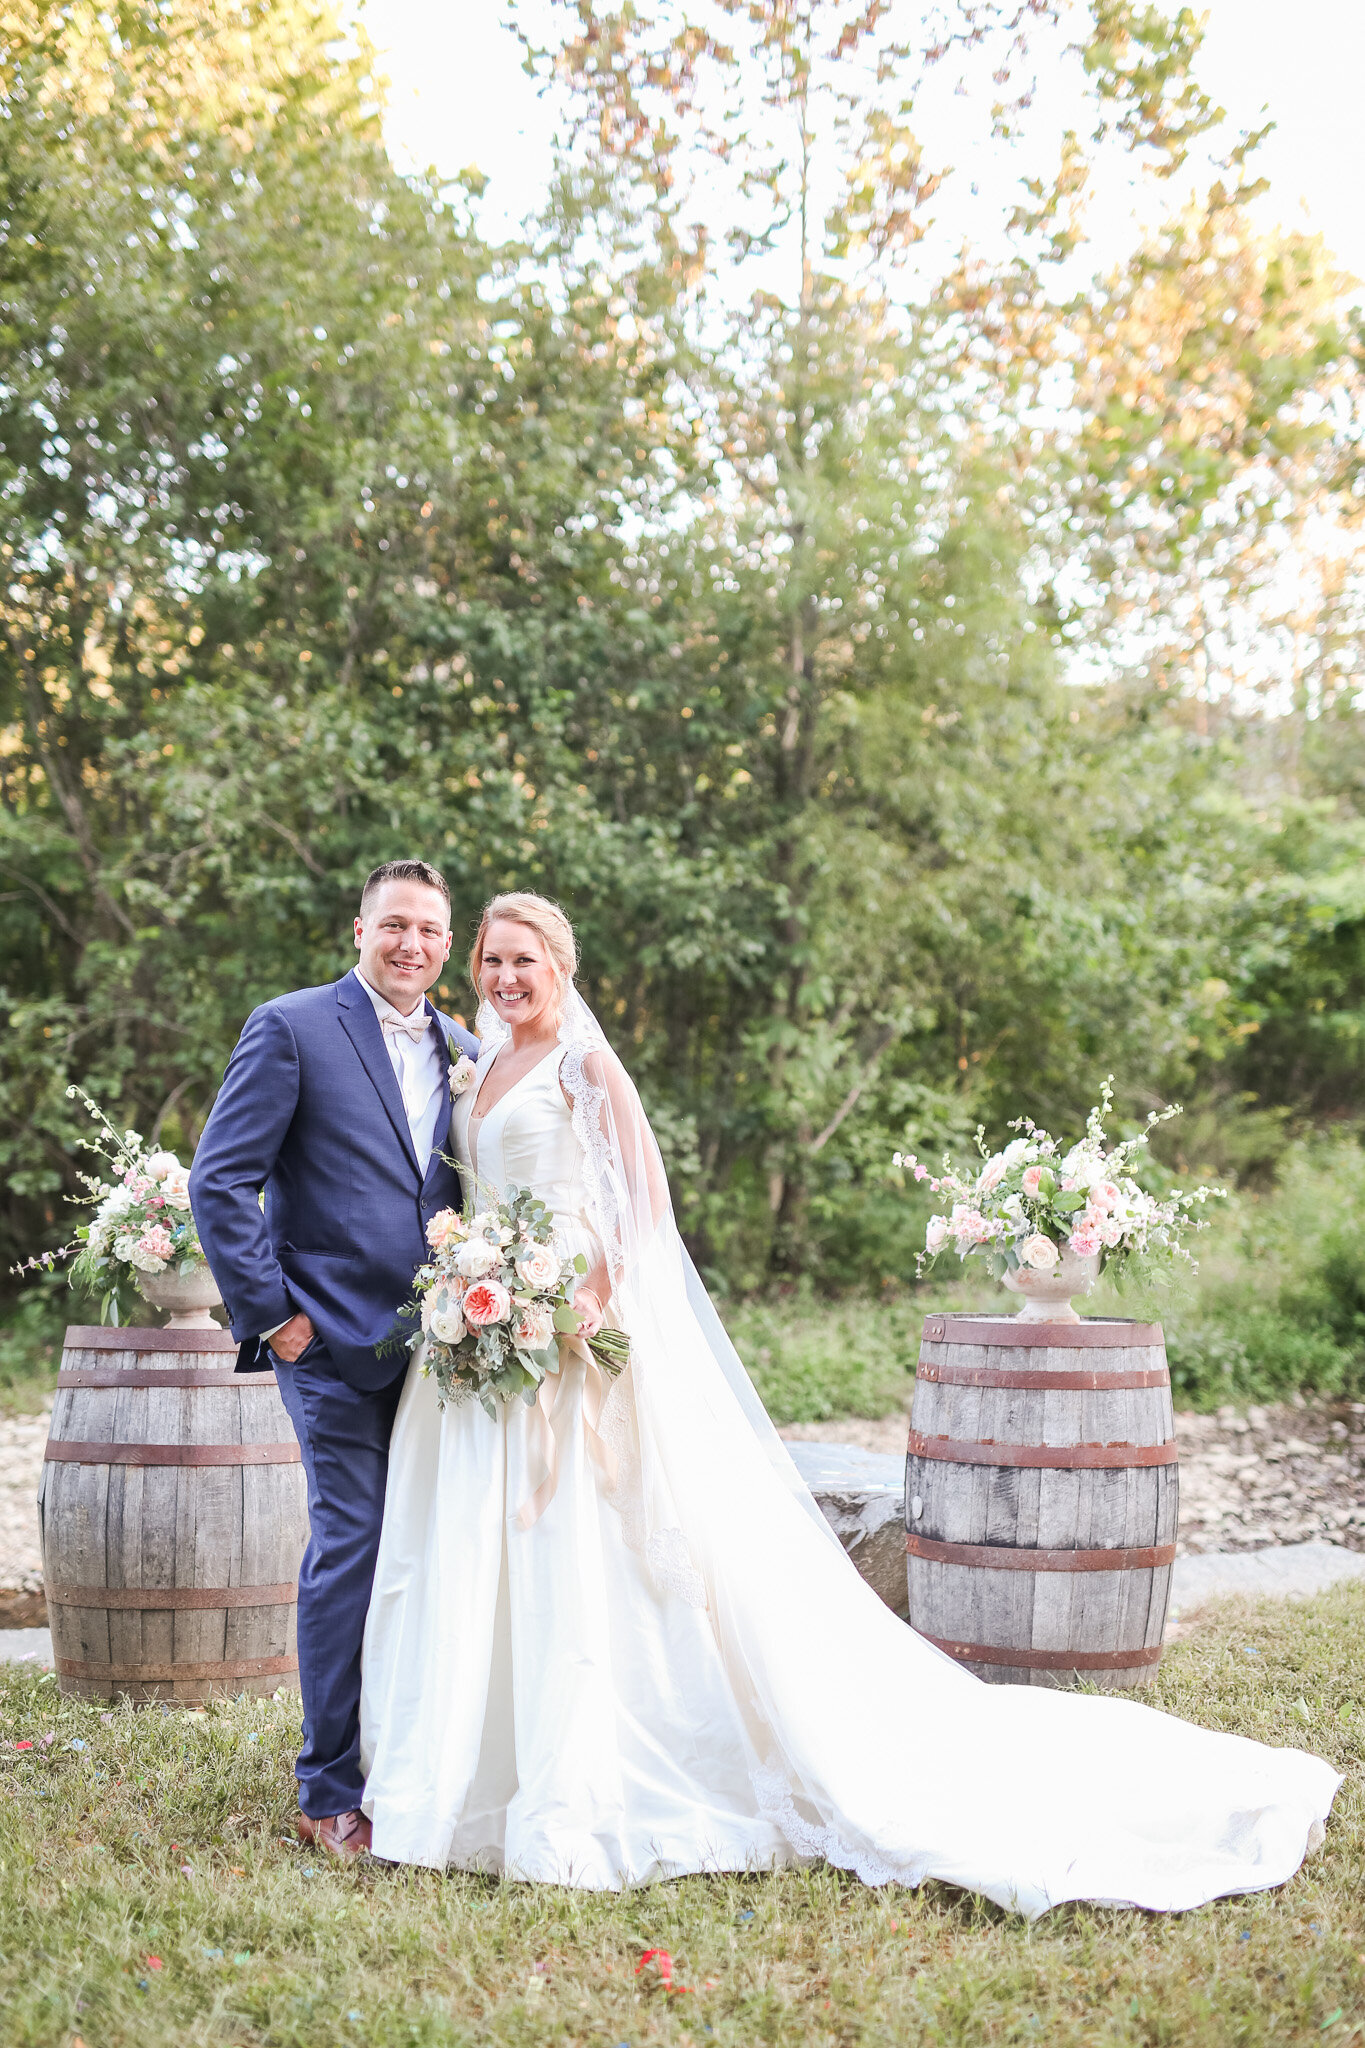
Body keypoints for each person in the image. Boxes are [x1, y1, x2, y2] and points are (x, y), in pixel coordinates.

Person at [358, 890, 1339, 1915]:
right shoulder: (478, 1063)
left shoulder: (585, 1066)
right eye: (494, 958)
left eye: (526, 958)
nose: (507, 975)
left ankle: (579, 1780)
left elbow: (641, 1204)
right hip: (484, 1335)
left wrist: (577, 1304)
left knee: (584, 1551)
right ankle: (464, 1776)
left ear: (560, 962)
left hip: (569, 1337)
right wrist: (480, 1285)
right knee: (476, 1546)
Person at [189, 860, 479, 1859]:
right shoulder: (294, 1024)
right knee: (352, 1546)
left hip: (448, 1352)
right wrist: (276, 1319)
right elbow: (219, 1179)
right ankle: (327, 1788)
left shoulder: (470, 1051)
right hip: (327, 1342)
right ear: (359, 929)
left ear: (449, 946)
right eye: (394, 924)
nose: (411, 944)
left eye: (430, 930)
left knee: (429, 1554)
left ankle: (408, 1759)